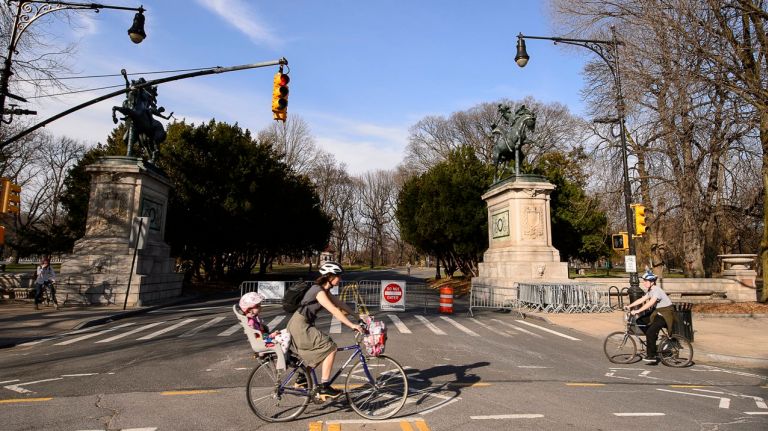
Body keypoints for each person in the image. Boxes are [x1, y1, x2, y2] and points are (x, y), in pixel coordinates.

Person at [287, 261, 363, 399]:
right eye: (338, 276)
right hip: (300, 326)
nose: (340, 279)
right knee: (330, 347)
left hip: (302, 324)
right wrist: (352, 325)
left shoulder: (324, 290)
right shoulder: (318, 292)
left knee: (322, 351)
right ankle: (324, 386)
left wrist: (357, 316)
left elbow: (339, 304)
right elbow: (334, 310)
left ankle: (302, 378)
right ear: (329, 277)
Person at [623, 271, 675, 364]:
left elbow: (651, 303)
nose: (644, 283)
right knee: (640, 320)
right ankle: (651, 340)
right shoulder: (650, 290)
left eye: (646, 281)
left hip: (664, 314)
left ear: (652, 282)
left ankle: (652, 356)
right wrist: (630, 306)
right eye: (644, 281)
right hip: (657, 312)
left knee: (650, 332)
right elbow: (641, 299)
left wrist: (638, 311)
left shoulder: (656, 290)